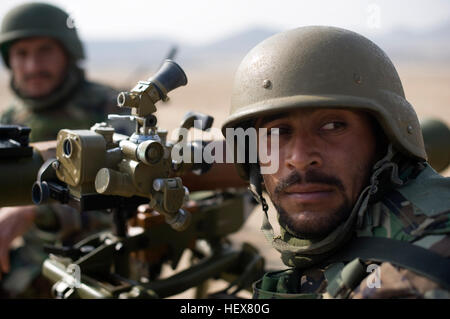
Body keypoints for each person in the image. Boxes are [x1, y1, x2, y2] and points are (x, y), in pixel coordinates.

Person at [221, 26, 450, 299]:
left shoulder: (419, 271)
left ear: (385, 140)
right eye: (277, 132)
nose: (301, 159)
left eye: (332, 126)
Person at [0, 2, 124, 297]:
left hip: (98, 265)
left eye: (45, 50)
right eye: (22, 54)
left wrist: (32, 208)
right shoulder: (10, 121)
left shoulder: (110, 110)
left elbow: (129, 191)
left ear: (68, 53)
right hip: (27, 266)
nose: (32, 66)